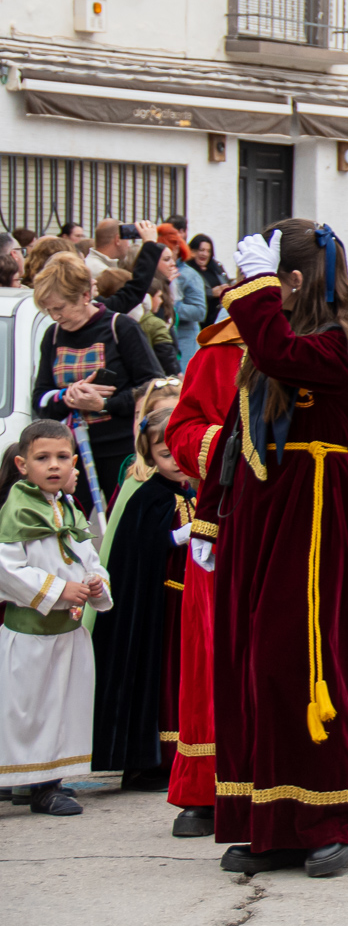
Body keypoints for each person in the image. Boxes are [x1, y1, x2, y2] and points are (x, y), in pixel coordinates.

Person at [191, 220, 348, 877]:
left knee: (300, 659)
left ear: (292, 279)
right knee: (248, 660)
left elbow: (282, 356)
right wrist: (211, 515)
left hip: (312, 501)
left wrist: (253, 291)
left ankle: (329, 815)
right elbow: (240, 419)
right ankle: (268, 819)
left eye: (272, 278)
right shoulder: (271, 338)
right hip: (259, 503)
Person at [0, 421, 112, 815]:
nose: (53, 466)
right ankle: (25, 782)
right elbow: (7, 569)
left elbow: (90, 559)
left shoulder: (66, 507)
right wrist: (58, 590)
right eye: (42, 458)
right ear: (21, 463)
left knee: (62, 708)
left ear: (74, 462)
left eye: (62, 457)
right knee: (25, 709)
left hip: (67, 633)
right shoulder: (18, 508)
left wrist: (95, 584)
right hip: (30, 635)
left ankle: (49, 783)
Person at [163, 311, 246, 838]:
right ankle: (206, 784)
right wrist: (233, 444)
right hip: (225, 517)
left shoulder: (325, 346)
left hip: (297, 523)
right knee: (212, 651)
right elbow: (181, 430)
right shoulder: (219, 352)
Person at [87, 397, 189, 792]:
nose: (175, 460)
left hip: (185, 606)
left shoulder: (189, 495)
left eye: (180, 451)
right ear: (150, 455)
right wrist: (174, 537)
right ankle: (149, 759)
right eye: (165, 454)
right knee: (158, 679)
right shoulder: (147, 497)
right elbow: (140, 547)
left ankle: (182, 753)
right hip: (157, 608)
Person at [31, 252, 166, 516]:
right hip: (71, 454)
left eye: (60, 308)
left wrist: (104, 404)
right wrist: (67, 397)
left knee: (122, 528)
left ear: (84, 296)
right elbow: (40, 399)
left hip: (122, 451)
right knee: (69, 528)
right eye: (49, 310)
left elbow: (154, 387)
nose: (55, 316)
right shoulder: (53, 336)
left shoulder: (121, 328)